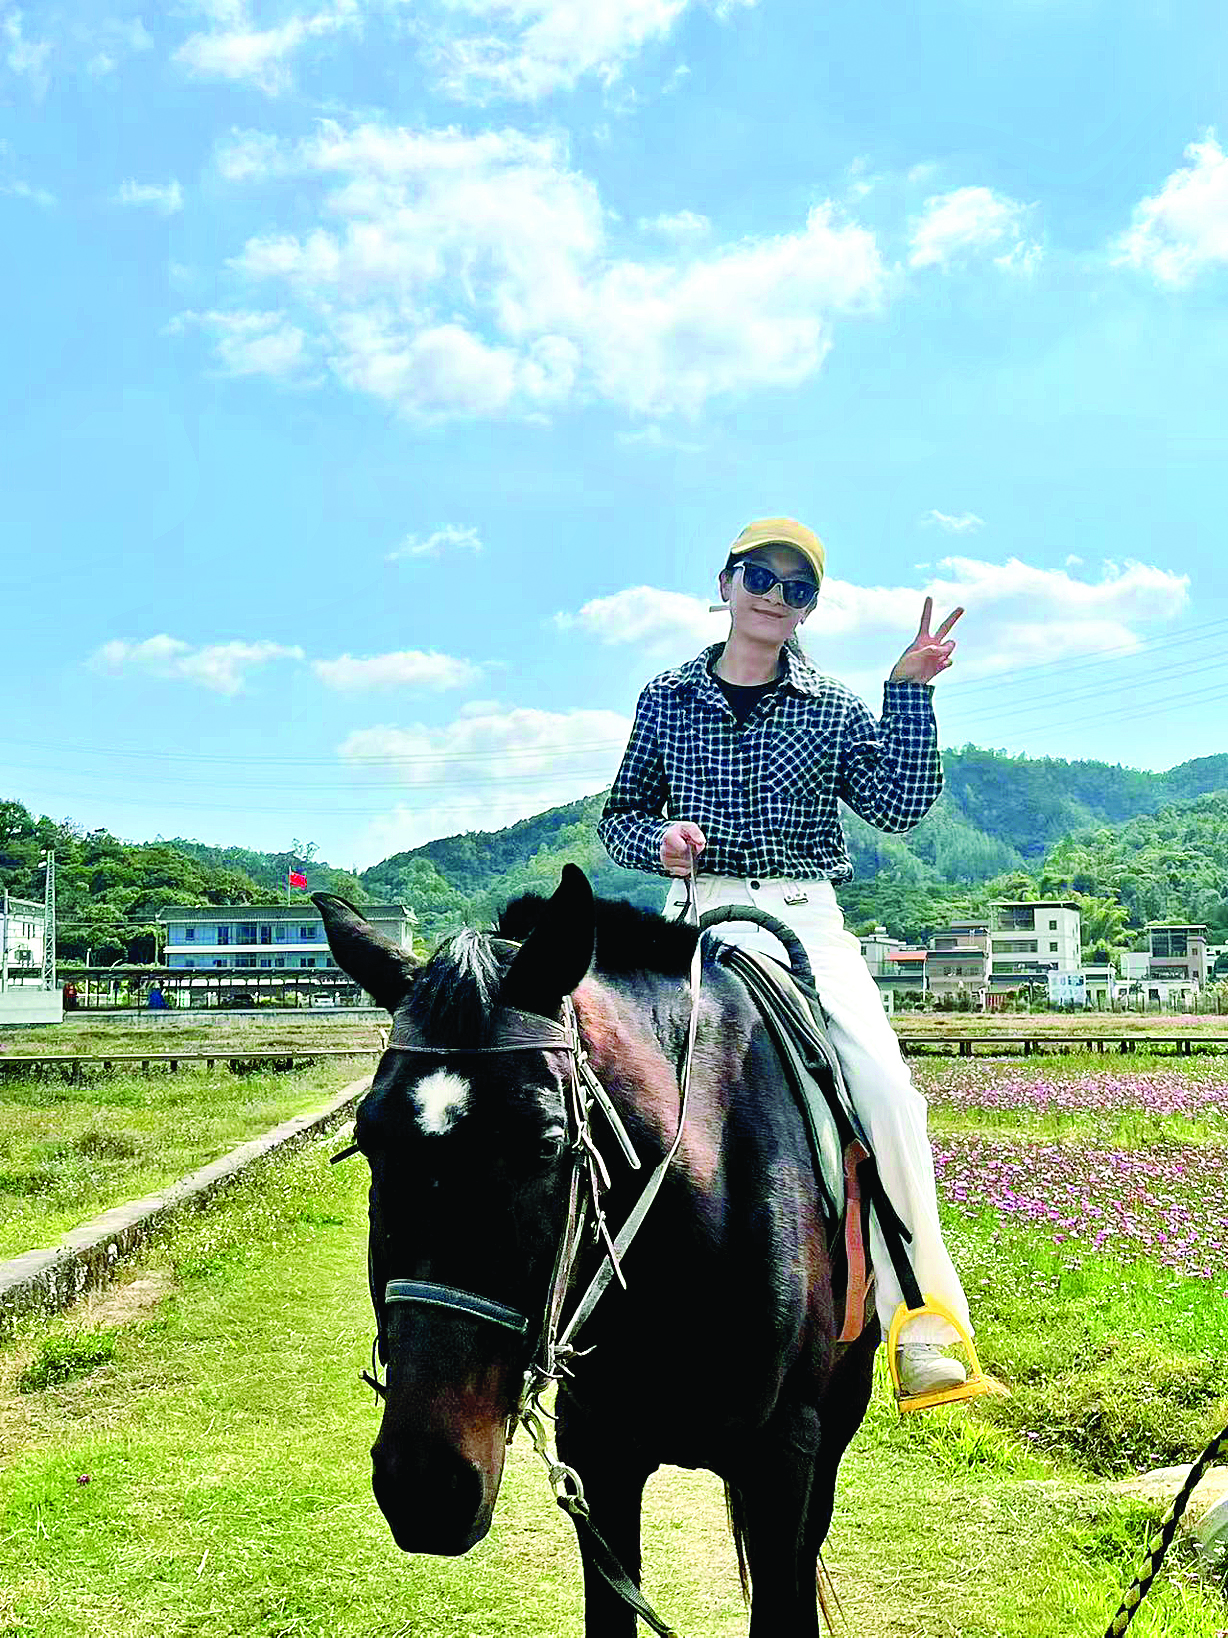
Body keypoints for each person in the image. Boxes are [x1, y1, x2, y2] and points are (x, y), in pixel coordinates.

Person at [598, 517, 973, 1400]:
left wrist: (907, 692)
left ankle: (921, 1319)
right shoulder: (665, 698)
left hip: (805, 920)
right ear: (725, 583)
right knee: (604, 1077)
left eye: (795, 587)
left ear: (809, 608)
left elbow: (898, 808)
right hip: (695, 916)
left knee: (887, 1094)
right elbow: (618, 817)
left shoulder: (833, 705)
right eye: (759, 578)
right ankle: (578, 1311)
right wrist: (659, 842)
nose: (774, 596)